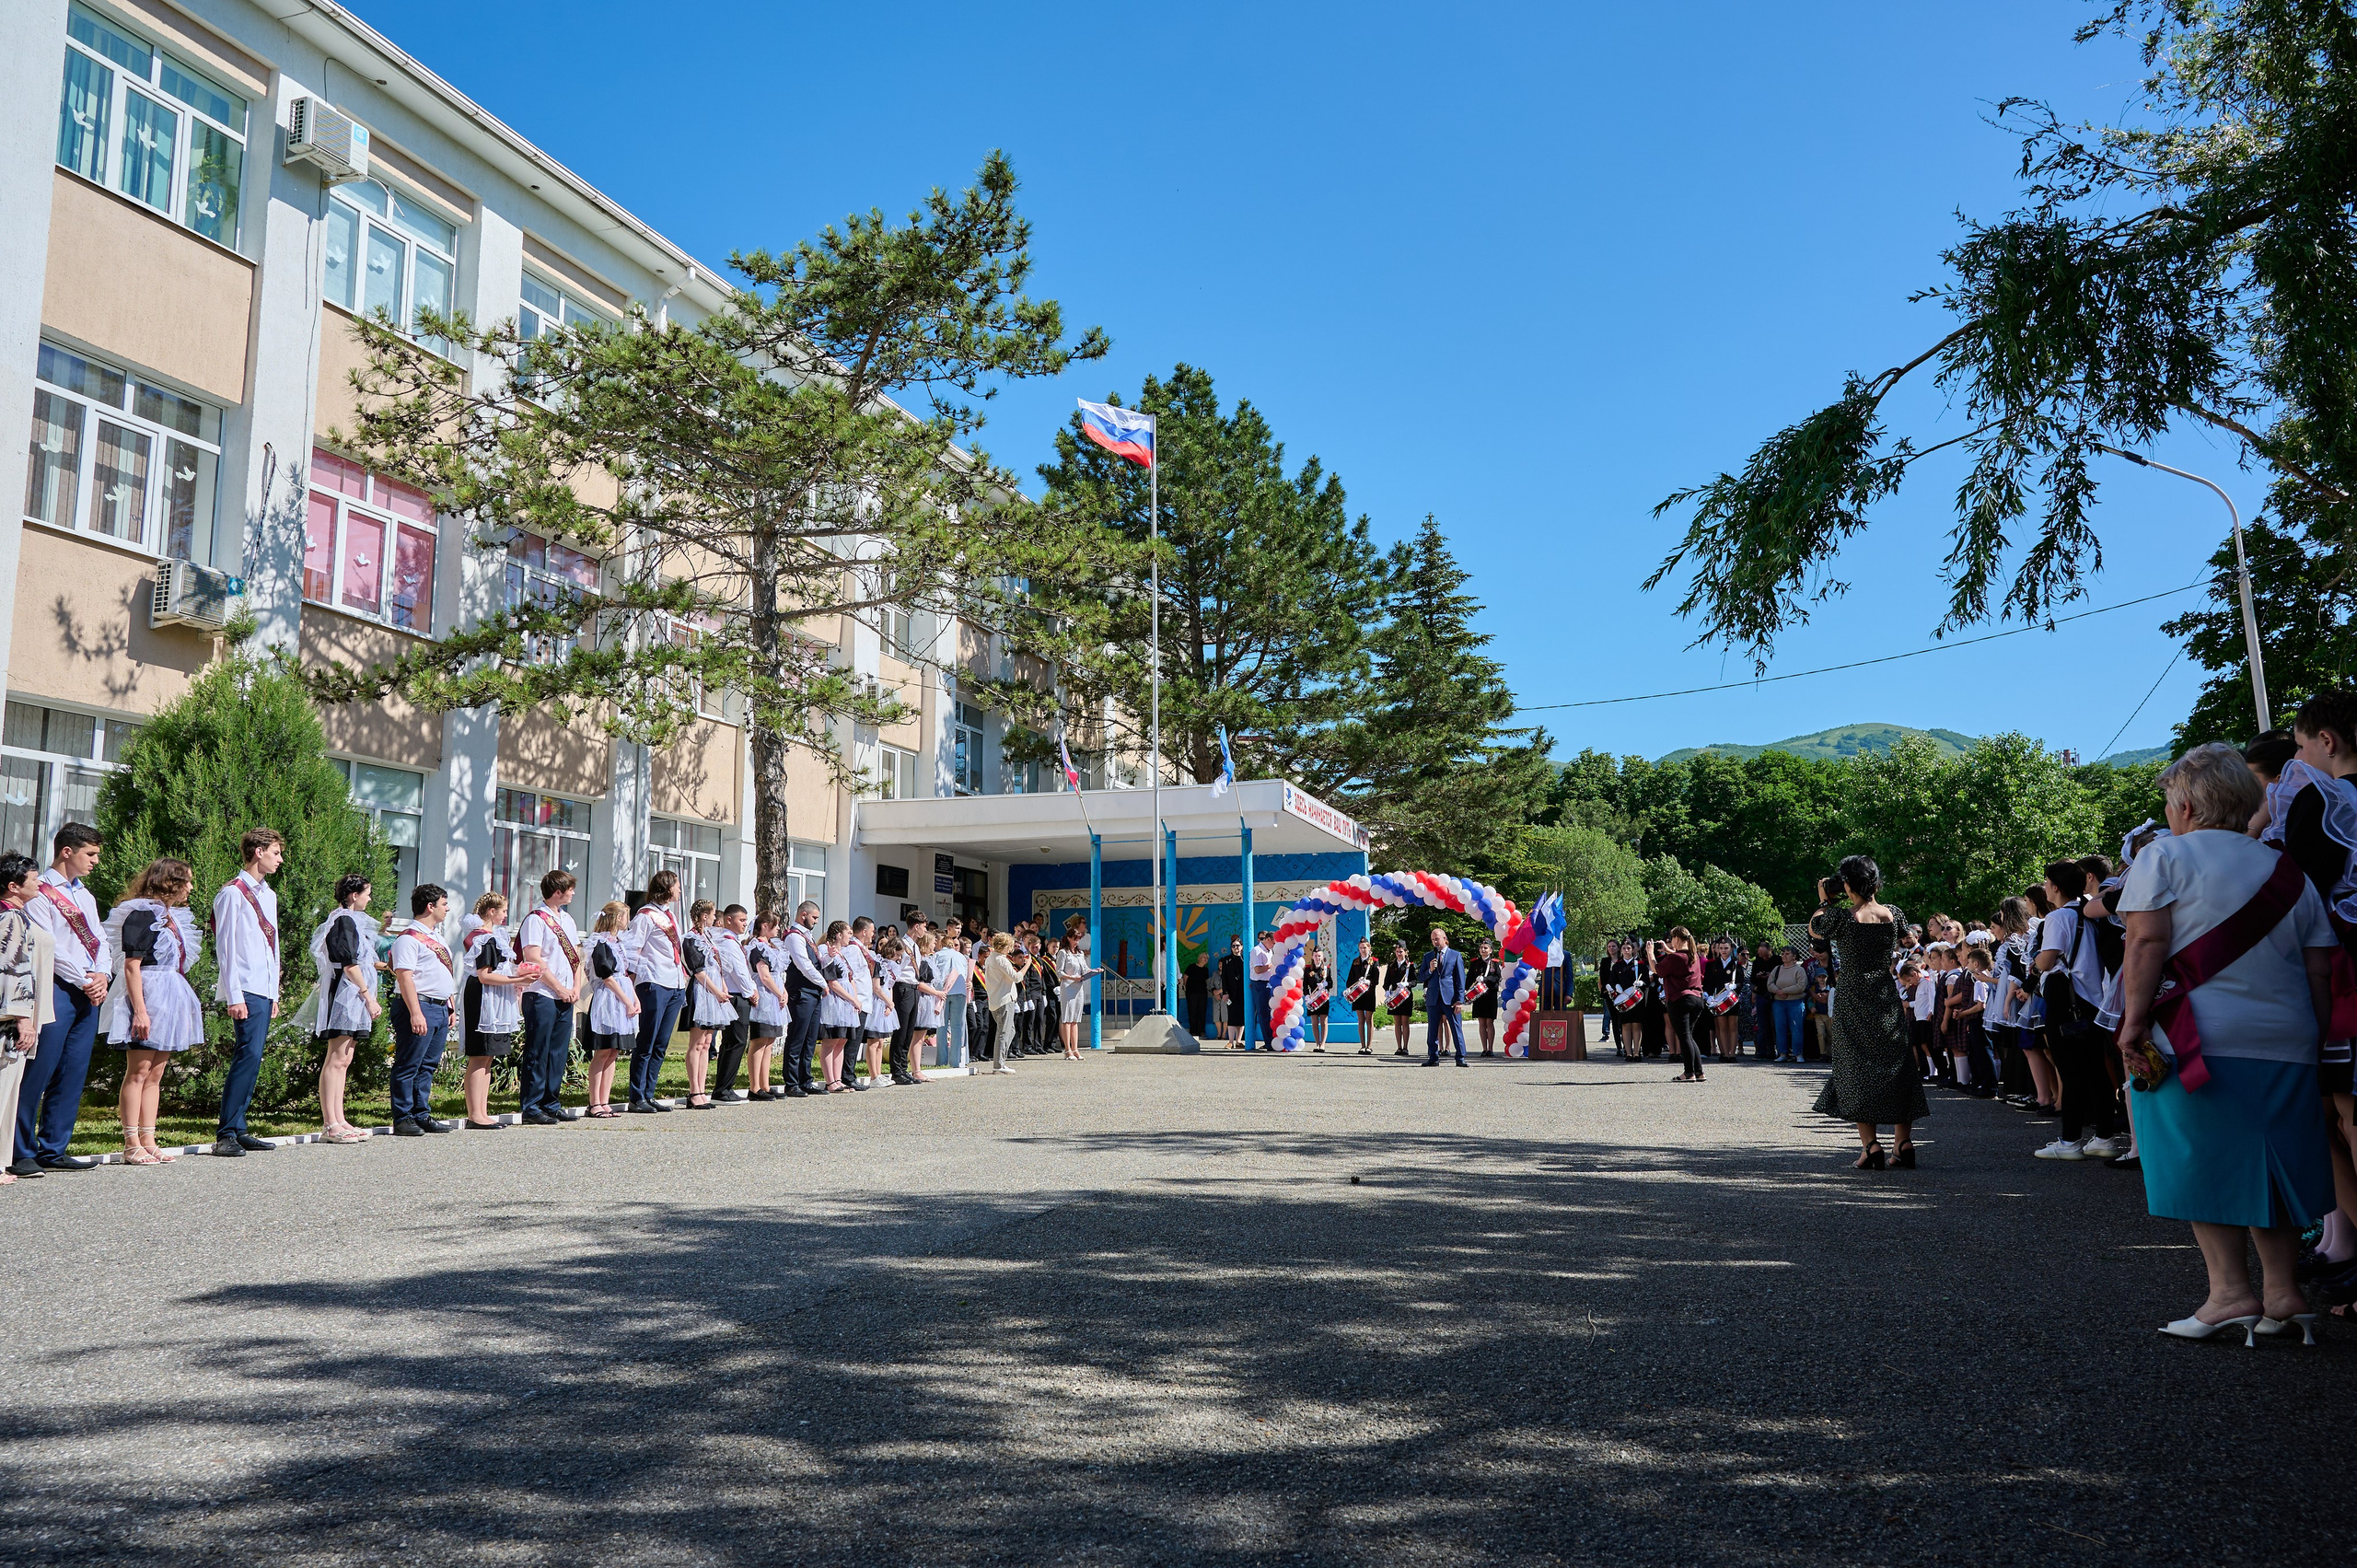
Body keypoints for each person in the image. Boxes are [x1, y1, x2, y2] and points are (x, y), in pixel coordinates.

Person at [2111, 742, 2339, 1342]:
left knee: (2205, 1157)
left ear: (2185, 803)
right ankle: (2285, 1293)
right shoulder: (2288, 869)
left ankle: (2230, 1294)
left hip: (2198, 1037)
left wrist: (2133, 1021)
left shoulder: (2163, 857)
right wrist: (2310, 1038)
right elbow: (2319, 968)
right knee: (2276, 1158)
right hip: (2287, 1034)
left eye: (2167, 799)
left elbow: (2145, 945)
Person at [1810, 857, 1927, 1168]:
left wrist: (1824, 899)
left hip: (1852, 992)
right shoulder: (1894, 913)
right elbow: (1908, 937)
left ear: (1847, 885)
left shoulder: (1841, 917)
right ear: (1876, 883)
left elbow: (1816, 928)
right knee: (1896, 1062)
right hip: (1884, 990)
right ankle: (1903, 1142)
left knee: (1856, 1063)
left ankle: (1871, 1146)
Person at [16, 822, 110, 1175]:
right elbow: (48, 947)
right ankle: (19, 1148)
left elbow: (100, 940)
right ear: (67, 852)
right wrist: (86, 979)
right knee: (39, 1069)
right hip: (56, 987)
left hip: (88, 991)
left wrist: (102, 974)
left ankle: (54, 1147)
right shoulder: (40, 893)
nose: (96, 861)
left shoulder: (85, 895)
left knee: (73, 1071)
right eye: (91, 854)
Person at [105, 858, 203, 1166]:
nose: (190, 887)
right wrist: (140, 1012)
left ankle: (149, 1138)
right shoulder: (142, 913)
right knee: (138, 1070)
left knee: (156, 1072)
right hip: (147, 994)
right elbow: (131, 966)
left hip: (170, 995)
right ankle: (131, 1141)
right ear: (169, 882)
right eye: (185, 881)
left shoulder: (172, 917)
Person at [2035, 859, 2126, 1160]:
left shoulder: (2059, 917)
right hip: (2093, 999)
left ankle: (2070, 1140)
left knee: (2070, 1071)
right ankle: (2104, 1136)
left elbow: (2047, 960)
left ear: (2056, 886)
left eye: (2047, 882)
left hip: (2066, 999)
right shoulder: (2089, 912)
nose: (2045, 887)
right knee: (2097, 1070)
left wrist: (2035, 962)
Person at [208, 826, 285, 1159]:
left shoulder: (269, 894)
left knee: (254, 1058)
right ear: (258, 851)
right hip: (246, 987)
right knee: (247, 1056)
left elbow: (274, 946)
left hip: (264, 987)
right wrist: (234, 995)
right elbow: (225, 948)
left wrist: (275, 992)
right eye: (276, 852)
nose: (280, 859)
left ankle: (239, 1127)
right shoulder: (233, 893)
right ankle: (226, 1132)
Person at [304, 874, 381, 1143]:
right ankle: (330, 1122)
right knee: (336, 1057)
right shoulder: (343, 920)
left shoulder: (354, 921)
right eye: (367, 893)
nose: (370, 898)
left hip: (353, 993)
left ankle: (340, 1117)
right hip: (345, 992)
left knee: (345, 1058)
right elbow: (348, 963)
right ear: (354, 895)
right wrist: (368, 996)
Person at [0, 854, 55, 1187]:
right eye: (34, 879)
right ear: (13, 887)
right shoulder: (12, 920)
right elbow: (13, 971)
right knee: (3, 1091)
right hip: (9, 1022)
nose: (39, 883)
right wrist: (22, 1019)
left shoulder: (13, 915)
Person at [389, 884, 458, 1137]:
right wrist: (415, 1012)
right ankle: (403, 1116)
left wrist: (450, 1005)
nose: (447, 908)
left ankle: (421, 1113)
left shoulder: (437, 936)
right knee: (409, 1063)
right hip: (418, 1005)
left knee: (427, 1065)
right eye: (444, 903)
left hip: (438, 1007)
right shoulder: (408, 938)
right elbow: (405, 976)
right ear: (431, 907)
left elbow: (441, 972)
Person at [517, 870, 583, 1126]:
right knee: (538, 1050)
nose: (573, 893)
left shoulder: (568, 920)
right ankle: (532, 1105)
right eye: (570, 889)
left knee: (557, 1052)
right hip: (542, 993)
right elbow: (533, 957)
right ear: (558, 891)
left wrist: (574, 988)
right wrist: (558, 988)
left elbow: (575, 958)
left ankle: (551, 1102)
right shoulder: (536, 919)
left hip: (565, 995)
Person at [461, 893, 531, 1129]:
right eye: (502, 911)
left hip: (495, 997)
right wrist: (516, 979)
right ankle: (474, 1114)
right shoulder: (482, 938)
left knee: (488, 1056)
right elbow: (484, 975)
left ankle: (482, 1109)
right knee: (479, 1054)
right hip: (483, 998)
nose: (505, 915)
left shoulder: (492, 937)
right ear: (491, 912)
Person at [625, 870, 690, 1112]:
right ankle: (636, 1096)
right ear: (666, 887)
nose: (680, 890)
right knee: (647, 1041)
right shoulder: (645, 916)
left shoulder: (670, 915)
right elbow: (634, 950)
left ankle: (649, 1094)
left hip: (674, 983)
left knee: (662, 1042)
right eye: (677, 886)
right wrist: (632, 985)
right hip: (653, 982)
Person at [582, 901, 637, 1116]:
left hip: (622, 997)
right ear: (615, 918)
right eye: (625, 916)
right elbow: (608, 977)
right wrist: (627, 1000)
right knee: (603, 1050)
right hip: (609, 1000)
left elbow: (624, 975)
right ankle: (594, 1102)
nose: (627, 921)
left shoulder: (620, 943)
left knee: (614, 1051)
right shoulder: (600, 944)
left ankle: (605, 1100)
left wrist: (634, 998)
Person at [680, 900, 733, 1109]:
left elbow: (716, 966)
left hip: (713, 990)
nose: (714, 919)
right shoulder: (691, 938)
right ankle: (694, 1091)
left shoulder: (709, 937)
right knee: (697, 1042)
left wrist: (722, 987)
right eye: (712, 915)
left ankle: (702, 1089)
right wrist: (716, 990)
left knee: (707, 1041)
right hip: (702, 989)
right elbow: (698, 970)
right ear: (704, 916)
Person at [778, 900, 828, 1097]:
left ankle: (805, 1079)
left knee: (810, 1038)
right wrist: (823, 983)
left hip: (813, 992)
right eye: (814, 917)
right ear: (803, 915)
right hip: (801, 991)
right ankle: (791, 1082)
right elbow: (804, 965)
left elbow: (817, 962)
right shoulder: (794, 936)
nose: (816, 921)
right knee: (797, 1037)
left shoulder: (808, 936)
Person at [709, 904, 757, 1102]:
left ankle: (726, 1087)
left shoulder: (733, 941)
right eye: (741, 920)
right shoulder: (728, 942)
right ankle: (723, 1089)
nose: (745, 924)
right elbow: (738, 972)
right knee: (735, 1042)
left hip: (739, 994)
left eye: (746, 920)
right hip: (737, 995)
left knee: (734, 1043)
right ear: (729, 920)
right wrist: (751, 992)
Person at [1653, 928, 1708, 1083]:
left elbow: (1656, 969)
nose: (1671, 941)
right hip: (1697, 999)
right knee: (1689, 1036)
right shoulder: (1694, 955)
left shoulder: (1676, 958)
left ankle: (1689, 1073)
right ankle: (1699, 1072)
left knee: (1684, 1037)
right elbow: (1679, 957)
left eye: (1672, 938)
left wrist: (1651, 952)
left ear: (1677, 938)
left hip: (1680, 999)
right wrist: (1668, 950)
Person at [744, 912, 789, 1098]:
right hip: (764, 996)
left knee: (769, 1041)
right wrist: (780, 993)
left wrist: (783, 991)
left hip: (775, 997)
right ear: (764, 925)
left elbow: (776, 974)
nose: (778, 928)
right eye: (775, 924)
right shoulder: (756, 948)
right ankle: (754, 1087)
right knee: (760, 1041)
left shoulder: (772, 946)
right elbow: (764, 975)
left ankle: (765, 1084)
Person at [816, 921, 861, 1091]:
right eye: (848, 932)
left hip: (846, 1002)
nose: (850, 935)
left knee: (841, 1040)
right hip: (835, 1001)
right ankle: (830, 1080)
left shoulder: (843, 955)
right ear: (838, 935)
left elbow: (850, 979)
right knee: (831, 1040)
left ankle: (838, 1078)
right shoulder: (828, 952)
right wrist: (852, 999)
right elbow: (833, 982)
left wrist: (855, 999)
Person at [1420, 925, 1468, 1068]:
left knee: (1456, 1028)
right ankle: (1433, 1057)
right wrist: (1430, 969)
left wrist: (1459, 1000)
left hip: (1450, 999)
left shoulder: (1455, 955)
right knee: (1432, 1030)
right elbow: (1421, 977)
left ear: (1445, 939)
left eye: (1437, 939)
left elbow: (1460, 979)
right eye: (1433, 940)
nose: (1435, 942)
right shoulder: (1428, 956)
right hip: (1433, 998)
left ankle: (1460, 1057)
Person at [1056, 918, 1100, 1059]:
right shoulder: (1063, 953)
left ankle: (1075, 1048)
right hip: (1068, 987)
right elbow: (1059, 972)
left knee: (1075, 1019)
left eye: (1079, 939)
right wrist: (1072, 978)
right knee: (1067, 1019)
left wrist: (1094, 971)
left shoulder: (1080, 953)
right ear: (1069, 938)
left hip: (1078, 988)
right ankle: (1067, 1049)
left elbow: (1085, 969)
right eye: (1075, 939)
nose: (1077, 942)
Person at [981, 931, 1019, 1074]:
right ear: (1005, 946)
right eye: (1009, 945)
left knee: (1010, 1030)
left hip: (996, 1000)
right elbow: (1016, 977)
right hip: (1004, 999)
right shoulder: (1001, 960)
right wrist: (1026, 965)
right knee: (1003, 1032)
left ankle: (1001, 1059)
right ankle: (999, 1063)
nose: (1011, 948)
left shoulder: (991, 957)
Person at [1765, 945, 1809, 1063]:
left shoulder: (1799, 970)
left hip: (1795, 1002)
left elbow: (1801, 986)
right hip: (1779, 1002)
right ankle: (1782, 1053)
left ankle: (1798, 1053)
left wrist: (1784, 991)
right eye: (1783, 953)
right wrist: (1778, 991)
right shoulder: (1777, 969)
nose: (1784, 956)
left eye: (1787, 953)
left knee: (1796, 1028)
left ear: (1794, 956)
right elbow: (1770, 984)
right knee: (1780, 1028)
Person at [1702, 935, 1741, 1061]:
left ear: (1731, 949)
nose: (1724, 950)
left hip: (1732, 999)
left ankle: (1733, 1054)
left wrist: (1735, 986)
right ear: (1717, 949)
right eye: (1721, 948)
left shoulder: (1736, 964)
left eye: (1726, 948)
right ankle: (1724, 1053)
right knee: (1721, 1026)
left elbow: (1741, 981)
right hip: (1718, 999)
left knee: (1733, 1026)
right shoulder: (1712, 965)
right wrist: (1707, 995)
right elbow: (1708, 982)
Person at [1467, 937, 1503, 1057]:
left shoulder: (1495, 963)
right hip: (1479, 997)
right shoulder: (1475, 963)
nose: (1483, 950)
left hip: (1490, 996)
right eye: (1481, 948)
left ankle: (1491, 1048)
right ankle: (1484, 1048)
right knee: (1481, 1022)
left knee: (1489, 1022)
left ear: (1491, 950)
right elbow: (1469, 979)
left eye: (1486, 948)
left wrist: (1485, 979)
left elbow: (1497, 978)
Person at [1345, 937, 1378, 1056]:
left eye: (1365, 947)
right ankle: (1362, 1046)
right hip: (1358, 995)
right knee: (1360, 1020)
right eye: (1361, 948)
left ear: (1369, 948)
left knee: (1369, 1019)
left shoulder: (1374, 961)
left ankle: (1369, 1046)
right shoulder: (1355, 962)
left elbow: (1376, 979)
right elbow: (1349, 980)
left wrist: (1368, 982)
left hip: (1369, 994)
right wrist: (1354, 985)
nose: (1363, 950)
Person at [1382, 939, 1416, 1055]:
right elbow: (1387, 981)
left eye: (1401, 951)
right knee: (1397, 1023)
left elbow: (1414, 981)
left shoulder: (1410, 966)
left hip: (1405, 997)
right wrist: (1387, 991)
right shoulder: (1392, 965)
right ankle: (1399, 1047)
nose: (1399, 954)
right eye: (1397, 951)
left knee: (1405, 1022)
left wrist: (1407, 984)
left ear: (1406, 952)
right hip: (1395, 996)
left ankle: (1406, 1047)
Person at [1302, 938, 1334, 1052]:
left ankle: (1323, 1044)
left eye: (1319, 956)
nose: (1317, 958)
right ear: (1312, 957)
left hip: (1323, 999)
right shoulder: (1307, 970)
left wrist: (1325, 984)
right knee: (1314, 1022)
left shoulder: (1326, 969)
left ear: (1322, 956)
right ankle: (1317, 1043)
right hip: (1312, 999)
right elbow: (1305, 984)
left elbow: (1331, 983)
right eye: (1315, 956)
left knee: (1324, 1021)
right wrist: (1306, 995)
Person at [1249, 929, 1276, 1050]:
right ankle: (1269, 1042)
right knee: (1263, 1013)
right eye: (1273, 943)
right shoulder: (1257, 951)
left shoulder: (1269, 951)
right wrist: (1271, 964)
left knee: (1270, 1013)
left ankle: (1271, 1040)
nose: (1274, 946)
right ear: (1268, 939)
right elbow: (1258, 970)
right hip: (1259, 984)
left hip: (1269, 984)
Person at [1217, 935, 1246, 1047]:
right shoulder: (1226, 960)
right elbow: (1224, 977)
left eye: (1237, 946)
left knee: (1241, 1016)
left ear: (1242, 947)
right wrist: (1225, 992)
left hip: (1242, 992)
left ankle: (1239, 1041)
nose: (1235, 948)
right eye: (1233, 946)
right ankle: (1230, 1041)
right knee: (1232, 1016)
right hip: (1231, 992)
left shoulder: (1245, 959)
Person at [1183, 947, 1211, 1040]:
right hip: (1191, 993)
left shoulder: (1205, 970)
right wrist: (1186, 987)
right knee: (1192, 1011)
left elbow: (1206, 981)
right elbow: (1185, 977)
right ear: (1199, 958)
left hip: (1202, 993)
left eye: (1207, 958)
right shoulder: (1191, 967)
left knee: (1202, 1011)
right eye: (1204, 957)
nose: (1205, 959)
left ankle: (1201, 1031)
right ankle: (1193, 1031)